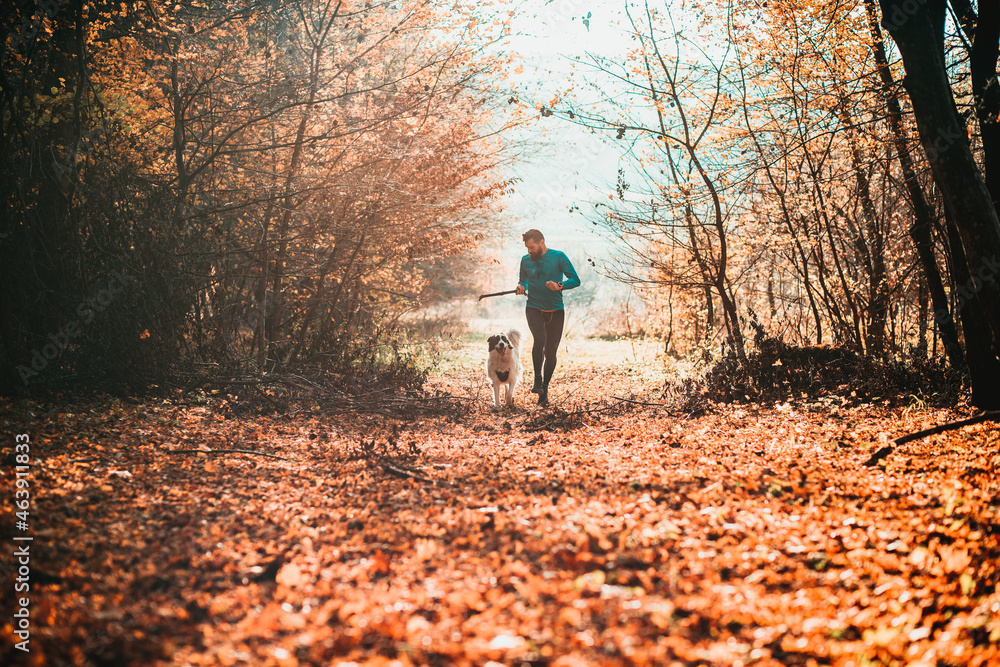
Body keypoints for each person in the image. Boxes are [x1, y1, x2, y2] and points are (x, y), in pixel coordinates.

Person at [515, 229, 580, 406]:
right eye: (527, 248)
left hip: (556, 311)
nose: (529, 251)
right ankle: (537, 380)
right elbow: (523, 280)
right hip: (534, 308)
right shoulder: (525, 260)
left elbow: (575, 280)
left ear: (541, 242)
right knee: (540, 339)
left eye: (532, 247)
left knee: (551, 352)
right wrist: (521, 286)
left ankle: (544, 389)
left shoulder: (559, 257)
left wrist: (559, 286)